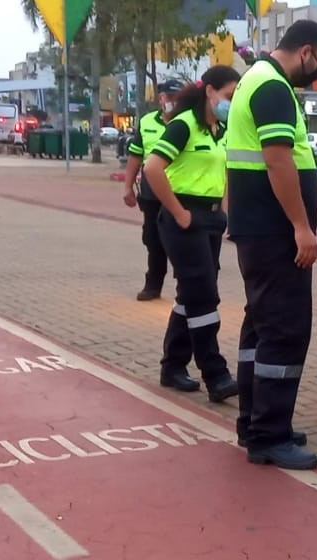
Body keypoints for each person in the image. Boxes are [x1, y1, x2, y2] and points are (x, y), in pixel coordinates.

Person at [225, 19, 317, 470]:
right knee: (286, 330)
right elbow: (277, 161)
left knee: (261, 326)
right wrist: (302, 227)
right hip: (275, 233)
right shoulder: (271, 87)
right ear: (304, 51)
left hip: (258, 229)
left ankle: (255, 422)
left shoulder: (258, 79)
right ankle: (269, 435)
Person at [142, 66, 242, 402]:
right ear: (210, 91)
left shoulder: (221, 129)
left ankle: (172, 365)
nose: (231, 102)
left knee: (192, 294)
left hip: (211, 219)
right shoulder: (184, 125)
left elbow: (224, 169)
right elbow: (152, 168)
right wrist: (179, 212)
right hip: (183, 219)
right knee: (204, 296)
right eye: (229, 95)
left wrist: (224, 210)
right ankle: (215, 373)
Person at [123, 79, 186, 301]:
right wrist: (128, 186)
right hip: (151, 194)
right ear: (160, 98)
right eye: (169, 97)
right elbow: (135, 155)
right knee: (153, 239)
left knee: (181, 241)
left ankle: (185, 286)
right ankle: (153, 284)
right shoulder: (148, 122)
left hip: (180, 192)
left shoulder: (188, 122)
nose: (173, 102)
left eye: (177, 98)